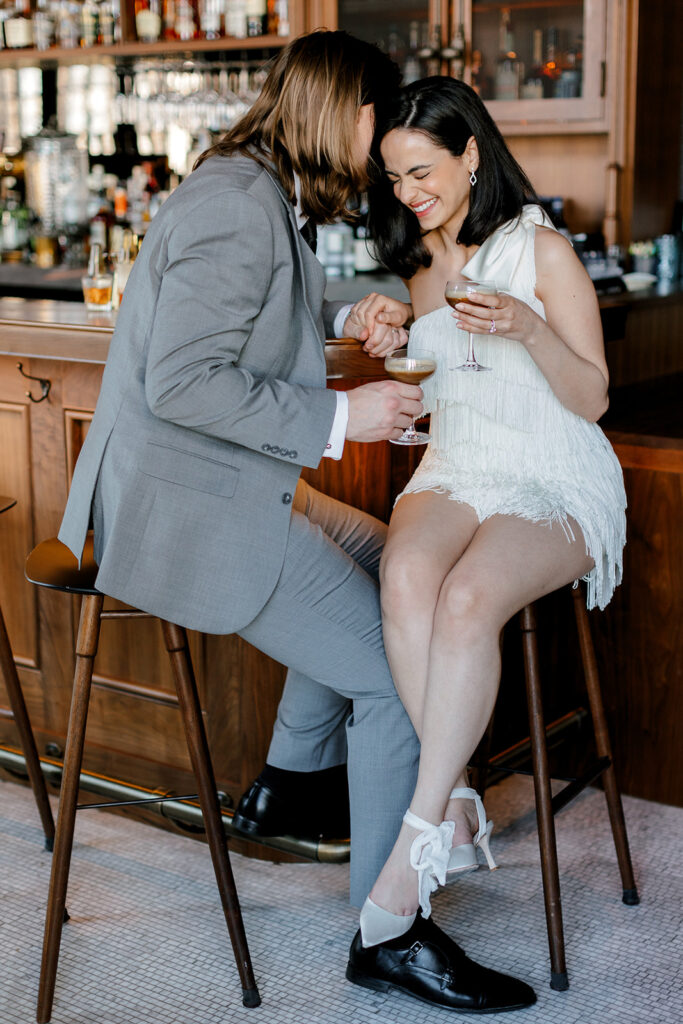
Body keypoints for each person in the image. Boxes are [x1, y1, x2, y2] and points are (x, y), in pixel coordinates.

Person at [58, 34, 533, 1014]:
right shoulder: (239, 202)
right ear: (341, 110)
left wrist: (343, 320)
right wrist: (339, 416)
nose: (378, 149)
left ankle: (290, 779)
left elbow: (249, 330)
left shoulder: (244, 186)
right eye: (376, 121)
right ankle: (387, 930)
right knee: (400, 681)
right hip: (183, 511)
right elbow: (185, 379)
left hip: (192, 483)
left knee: (372, 553)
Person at [344, 74, 625, 1003]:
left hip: (550, 468)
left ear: (470, 154)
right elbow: (439, 390)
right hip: (458, 466)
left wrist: (527, 327)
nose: (407, 190)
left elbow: (589, 399)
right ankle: (458, 806)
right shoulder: (417, 257)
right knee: (404, 576)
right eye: (392, 177)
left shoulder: (537, 248)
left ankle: (421, 840)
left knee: (466, 601)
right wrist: (382, 331)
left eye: (420, 170)